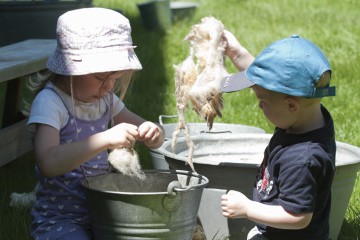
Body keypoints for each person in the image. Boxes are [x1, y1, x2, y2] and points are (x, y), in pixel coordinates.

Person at [27, 8, 165, 240]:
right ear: (71, 69)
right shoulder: (51, 103)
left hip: (105, 212)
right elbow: (48, 161)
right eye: (101, 78)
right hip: (61, 219)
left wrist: (154, 132)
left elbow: (149, 129)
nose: (109, 87)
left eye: (115, 79)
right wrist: (106, 139)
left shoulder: (105, 101)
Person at [220, 31, 336, 240]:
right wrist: (236, 53)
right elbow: (271, 84)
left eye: (263, 101)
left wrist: (247, 208)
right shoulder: (307, 116)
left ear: (291, 105)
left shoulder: (301, 160)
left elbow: (297, 217)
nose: (259, 105)